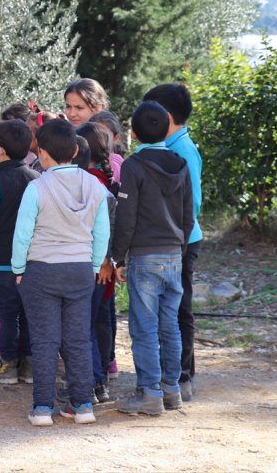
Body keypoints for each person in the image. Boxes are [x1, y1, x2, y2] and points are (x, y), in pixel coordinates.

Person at [12, 118, 110, 426]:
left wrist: (18, 268)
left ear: (41, 153)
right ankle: (82, 406)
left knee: (45, 341)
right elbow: (102, 232)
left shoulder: (37, 187)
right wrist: (94, 266)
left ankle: (42, 408)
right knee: (78, 339)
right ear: (75, 150)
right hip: (81, 270)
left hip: (41, 271)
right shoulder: (95, 185)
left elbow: (23, 233)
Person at [106, 101, 193, 415]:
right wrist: (179, 248)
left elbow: (126, 217)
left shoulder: (133, 165)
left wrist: (117, 257)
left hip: (144, 257)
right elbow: (188, 215)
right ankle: (172, 389)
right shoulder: (181, 163)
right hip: (174, 254)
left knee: (144, 327)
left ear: (133, 133)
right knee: (169, 325)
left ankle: (149, 393)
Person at [143, 83, 203, 402]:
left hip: (180, 241)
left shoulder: (182, 150)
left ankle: (183, 375)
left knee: (179, 310)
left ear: (164, 115)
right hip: (171, 239)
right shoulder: (168, 145)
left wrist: (174, 237)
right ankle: (171, 372)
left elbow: (192, 204)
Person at [0, 120, 39, 385]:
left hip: (1, 263)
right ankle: (29, 366)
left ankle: (8, 365)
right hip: (32, 262)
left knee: (7, 314)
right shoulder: (37, 180)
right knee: (28, 313)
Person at [76, 122, 120, 404]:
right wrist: (110, 260)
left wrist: (103, 259)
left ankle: (92, 382)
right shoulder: (108, 182)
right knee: (102, 322)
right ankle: (102, 378)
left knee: (85, 326)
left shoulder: (86, 183)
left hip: (89, 266)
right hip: (105, 269)